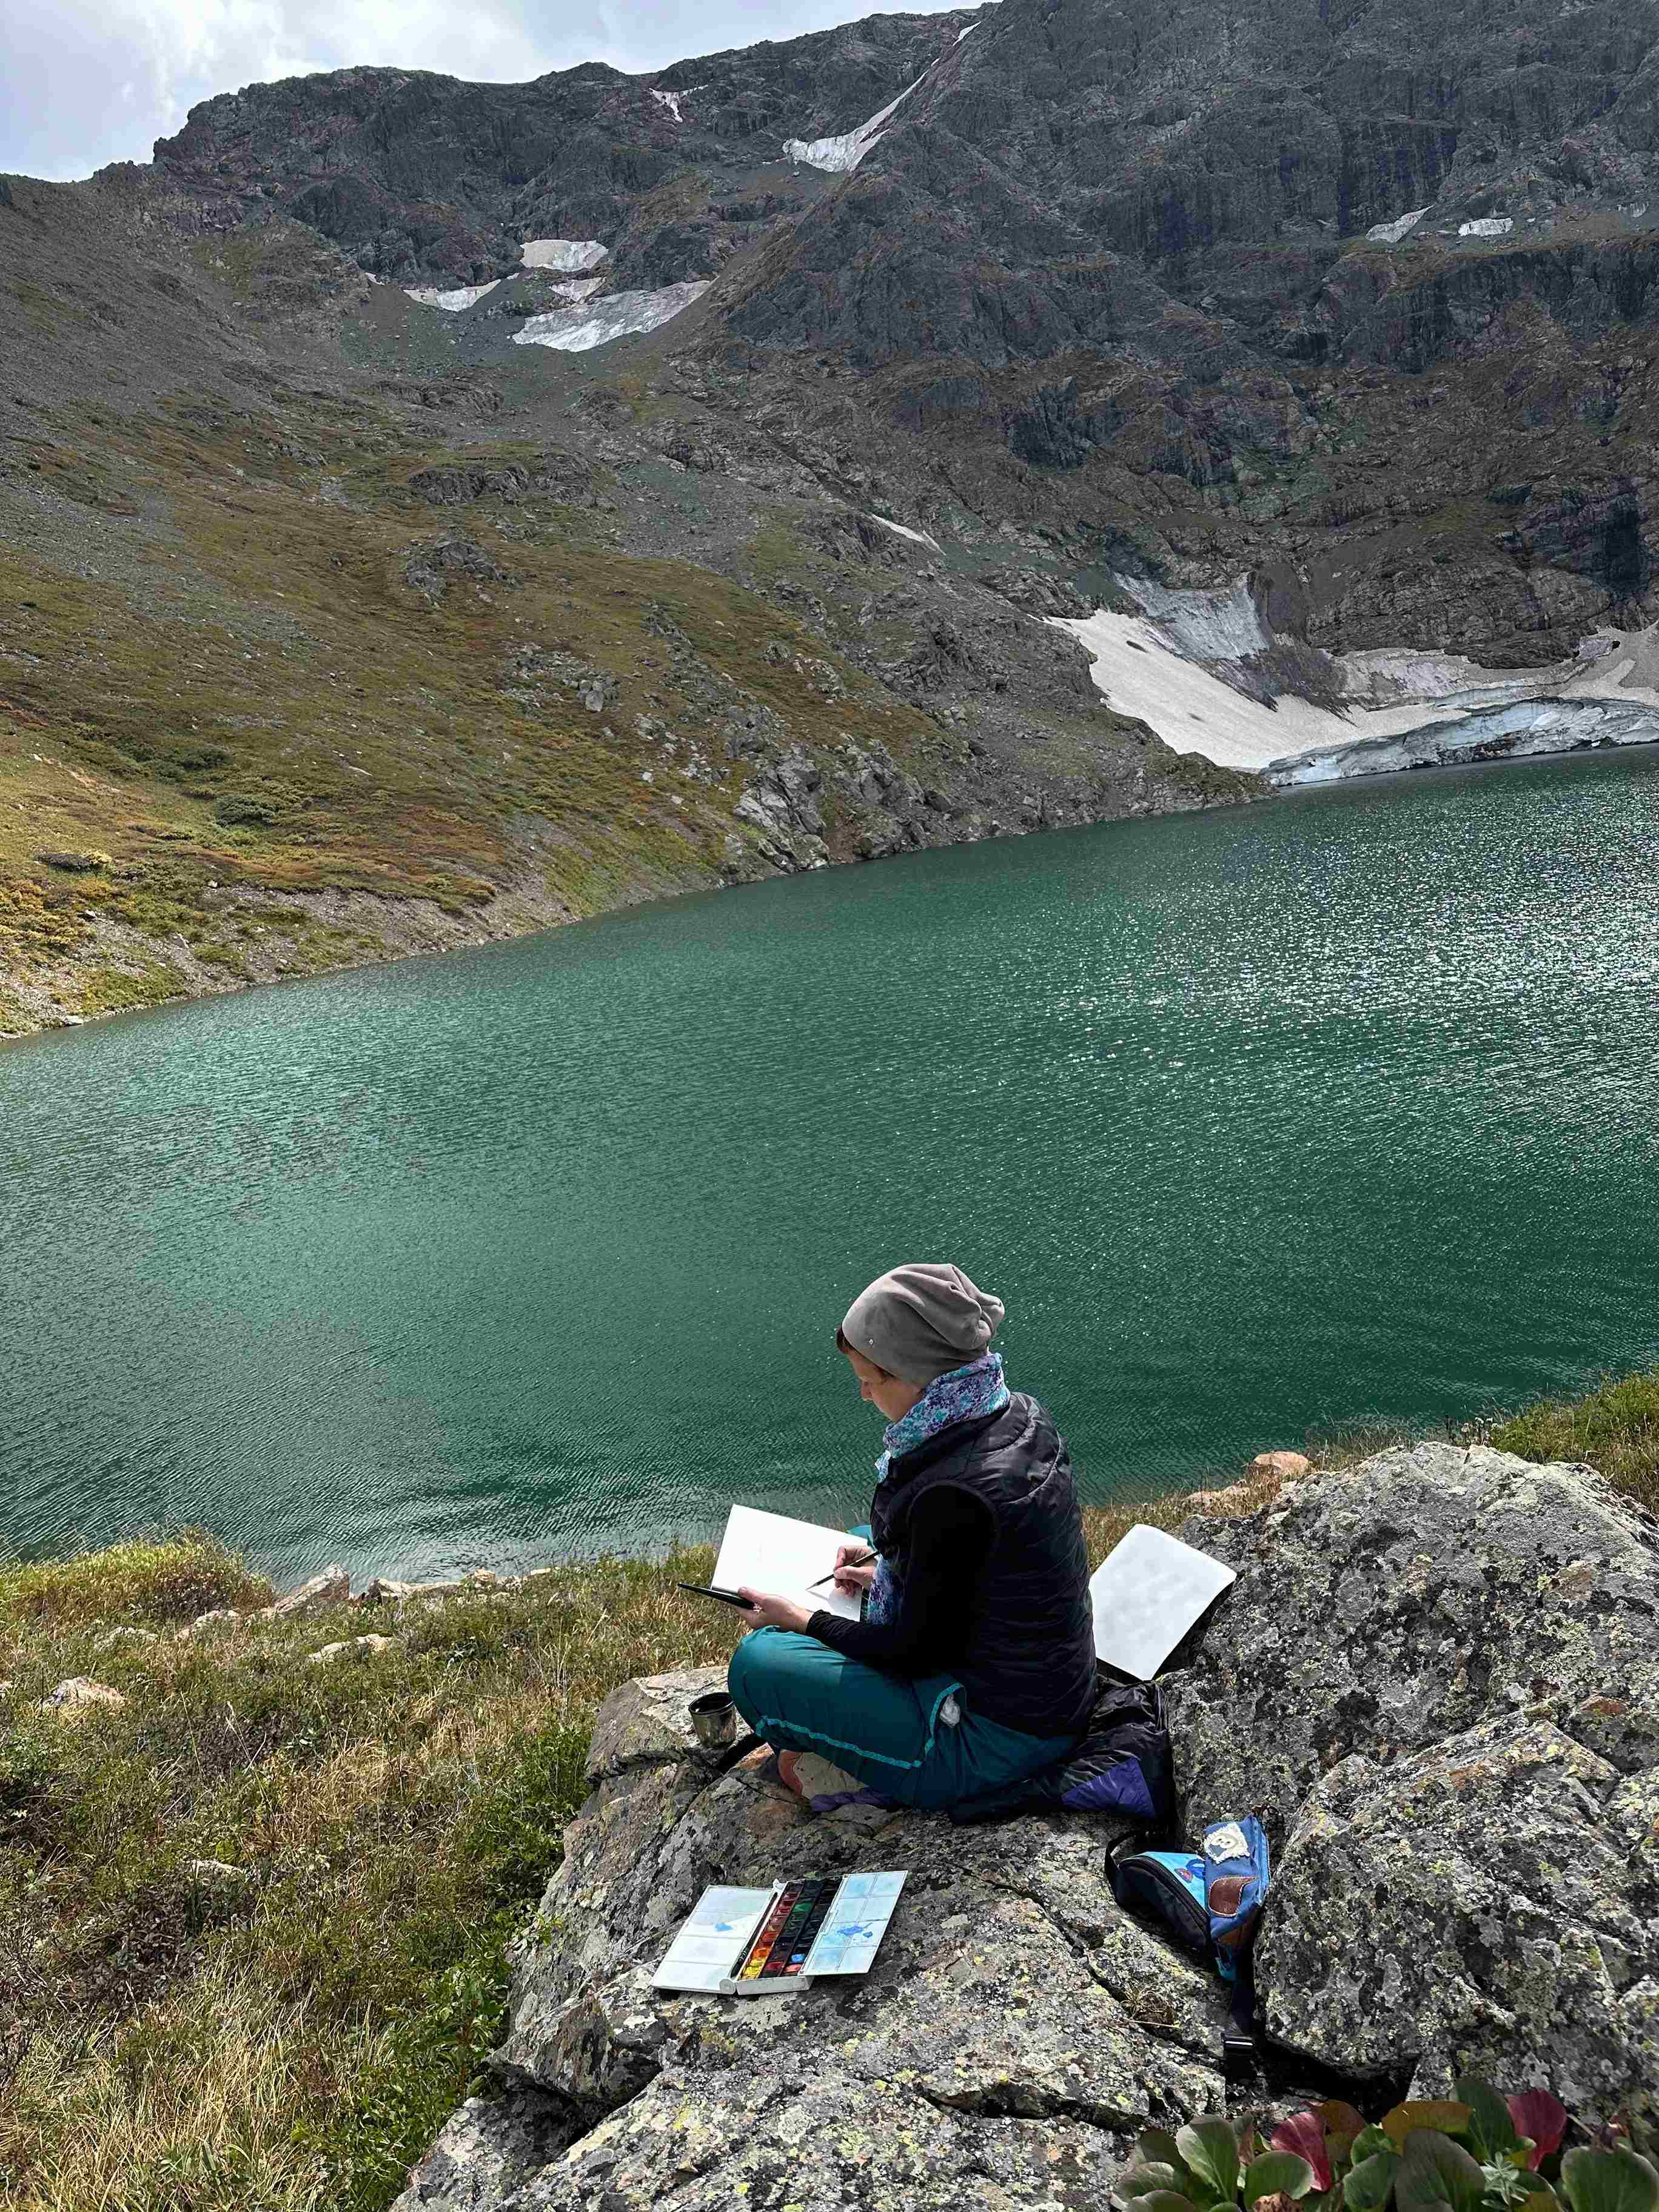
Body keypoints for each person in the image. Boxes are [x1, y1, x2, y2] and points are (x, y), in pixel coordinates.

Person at [726, 1261, 1098, 1812]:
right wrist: (889, 1570)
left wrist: (798, 1619)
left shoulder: (953, 1495)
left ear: (913, 1374)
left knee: (757, 1663)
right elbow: (976, 1568)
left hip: (995, 1737)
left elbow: (912, 1653)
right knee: (859, 1543)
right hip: (1048, 1688)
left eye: (869, 1379)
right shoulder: (1016, 1413)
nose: (862, 1395)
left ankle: (876, 1770)